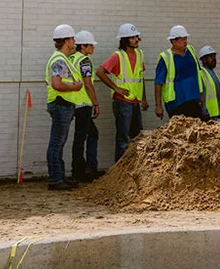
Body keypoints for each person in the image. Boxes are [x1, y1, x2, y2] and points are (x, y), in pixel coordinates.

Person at [96, 23, 149, 162]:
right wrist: (116, 88)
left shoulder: (140, 54)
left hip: (135, 101)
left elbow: (140, 78)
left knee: (137, 136)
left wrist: (144, 98)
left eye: (136, 36)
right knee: (123, 137)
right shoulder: (117, 56)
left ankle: (134, 166)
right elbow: (100, 72)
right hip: (122, 101)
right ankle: (119, 170)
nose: (136, 39)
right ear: (125, 40)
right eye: (132, 37)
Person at [45, 24, 84, 191]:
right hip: (61, 104)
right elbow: (57, 84)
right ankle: (55, 178)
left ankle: (59, 176)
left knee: (59, 143)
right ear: (66, 41)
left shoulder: (63, 59)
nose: (74, 41)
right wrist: (75, 87)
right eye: (72, 38)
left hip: (63, 105)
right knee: (56, 143)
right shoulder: (60, 60)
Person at [154, 26, 206, 120]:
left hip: (193, 98)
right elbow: (158, 83)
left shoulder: (190, 51)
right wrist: (158, 106)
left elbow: (198, 73)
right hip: (176, 103)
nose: (185, 41)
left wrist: (201, 95)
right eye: (181, 39)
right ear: (173, 41)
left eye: (185, 38)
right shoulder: (166, 57)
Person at [70, 30, 100, 182]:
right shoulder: (85, 61)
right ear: (83, 46)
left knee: (82, 136)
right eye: (91, 45)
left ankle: (80, 169)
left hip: (73, 102)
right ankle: (86, 169)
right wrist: (95, 103)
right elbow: (88, 84)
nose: (93, 48)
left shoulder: (71, 58)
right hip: (84, 103)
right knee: (87, 135)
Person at [198, 45, 220, 121]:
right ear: (204, 59)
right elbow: (201, 93)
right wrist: (204, 112)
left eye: (214, 56)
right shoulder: (201, 73)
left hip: (216, 114)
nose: (214, 59)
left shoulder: (213, 73)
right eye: (211, 56)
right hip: (208, 115)